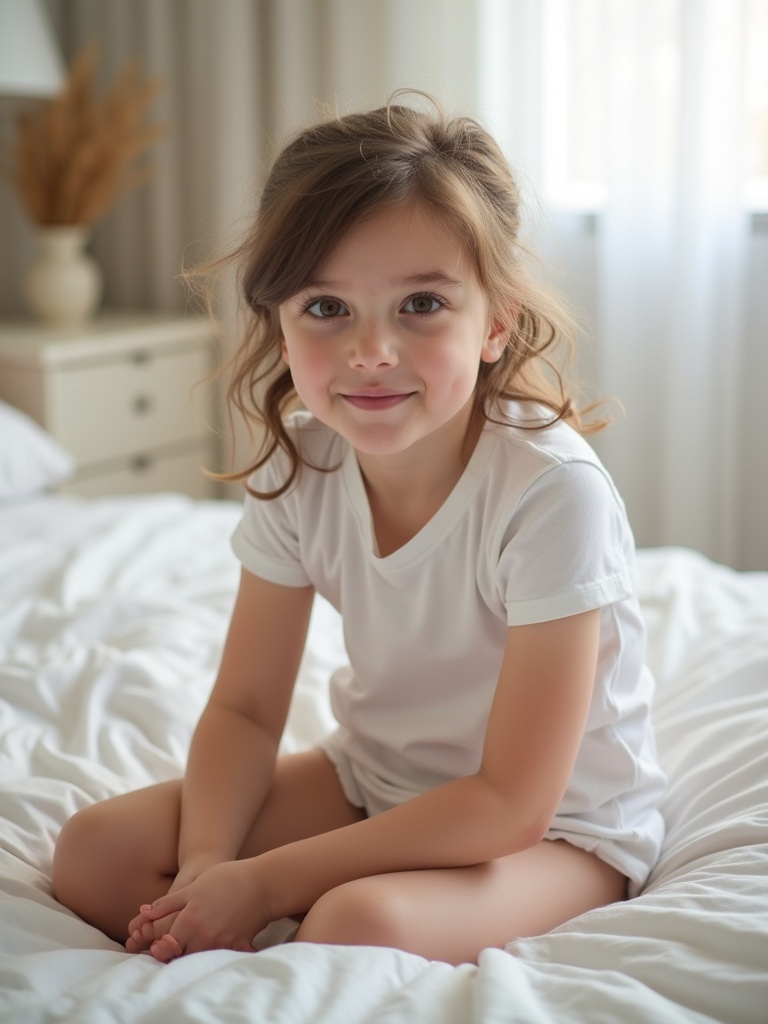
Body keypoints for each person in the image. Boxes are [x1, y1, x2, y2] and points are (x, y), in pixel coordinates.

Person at [52, 94, 665, 967]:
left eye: (421, 303)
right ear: (280, 321)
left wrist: (266, 884)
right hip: (374, 779)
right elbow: (246, 707)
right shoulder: (301, 463)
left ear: (496, 323)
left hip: (555, 832)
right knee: (96, 854)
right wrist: (207, 864)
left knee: (353, 928)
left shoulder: (552, 493)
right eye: (327, 309)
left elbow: (511, 802)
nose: (371, 351)